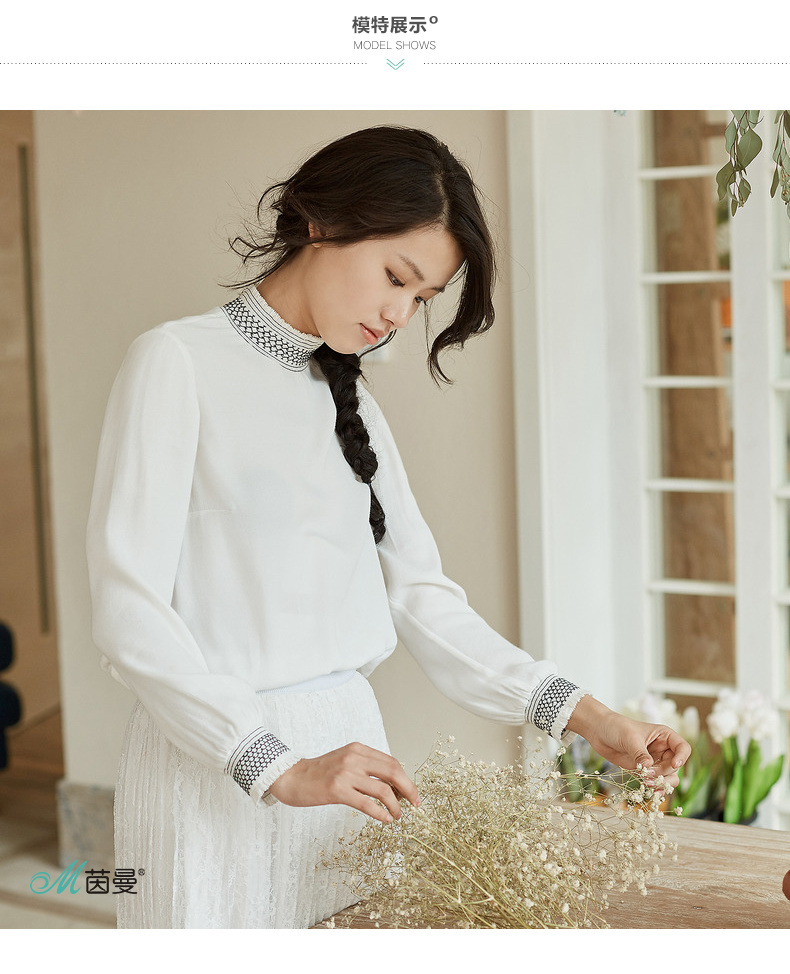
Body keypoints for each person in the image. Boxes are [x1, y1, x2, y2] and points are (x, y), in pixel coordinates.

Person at [86, 125, 691, 930]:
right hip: (220, 764)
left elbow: (426, 603)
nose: (399, 314)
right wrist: (275, 764)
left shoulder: (353, 403)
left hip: (351, 767)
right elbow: (127, 609)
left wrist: (592, 719)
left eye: (421, 298)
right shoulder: (176, 363)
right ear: (320, 220)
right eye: (396, 278)